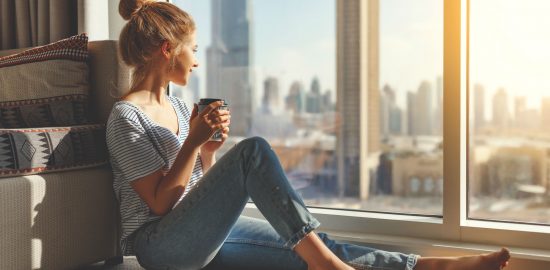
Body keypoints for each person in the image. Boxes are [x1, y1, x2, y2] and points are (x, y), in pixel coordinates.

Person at [106, 0, 511, 269]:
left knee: (308, 241)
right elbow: (160, 205)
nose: (196, 60)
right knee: (254, 152)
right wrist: (193, 142)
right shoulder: (126, 117)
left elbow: (197, 186)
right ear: (167, 49)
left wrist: (209, 151)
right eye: (193, 49)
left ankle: (431, 267)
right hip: (160, 247)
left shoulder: (179, 107)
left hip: (198, 231)